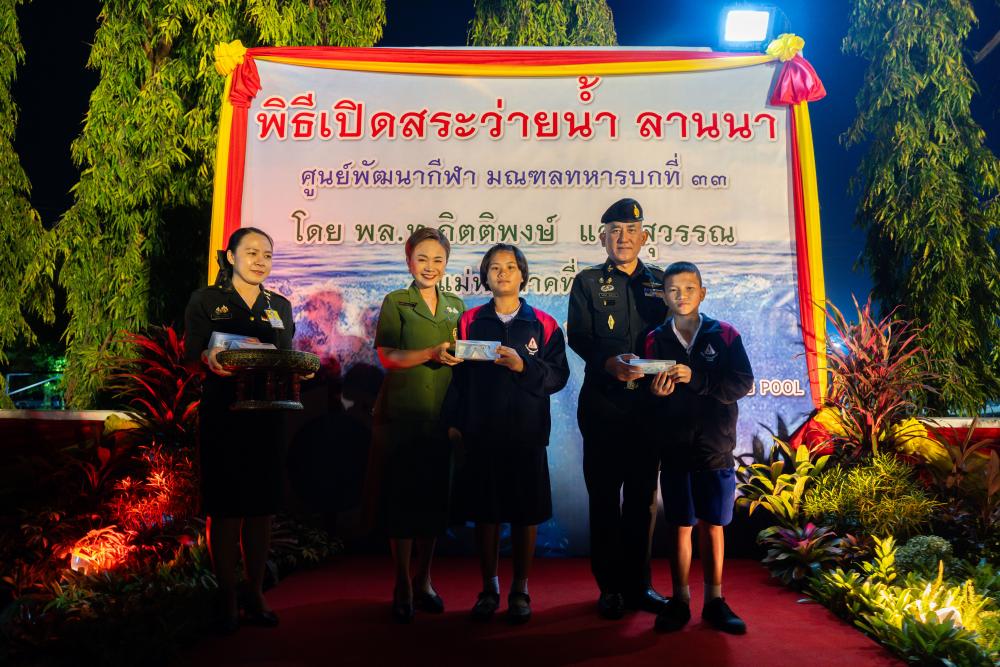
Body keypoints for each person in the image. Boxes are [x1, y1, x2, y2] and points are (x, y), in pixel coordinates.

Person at [444, 244, 570, 624]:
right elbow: (458, 379)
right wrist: (454, 422)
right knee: (486, 514)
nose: (502, 273)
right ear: (485, 275)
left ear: (522, 275)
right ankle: (489, 588)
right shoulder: (468, 321)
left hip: (526, 434)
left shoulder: (544, 324)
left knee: (524, 515)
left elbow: (558, 376)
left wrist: (523, 366)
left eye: (510, 267)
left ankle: (520, 589)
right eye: (495, 267)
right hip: (481, 433)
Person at [184, 226, 294, 633]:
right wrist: (208, 357)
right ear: (231, 256)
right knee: (226, 507)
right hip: (224, 413)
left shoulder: (279, 305)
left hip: (267, 415)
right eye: (251, 252)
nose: (260, 261)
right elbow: (191, 354)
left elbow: (285, 356)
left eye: (267, 254)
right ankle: (226, 595)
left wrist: (296, 367)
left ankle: (255, 591)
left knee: (262, 508)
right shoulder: (206, 300)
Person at [567, 197, 669, 619]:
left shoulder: (662, 281)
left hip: (649, 408)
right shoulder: (588, 281)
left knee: (643, 500)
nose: (623, 238)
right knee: (605, 498)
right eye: (615, 231)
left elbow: (676, 333)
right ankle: (609, 587)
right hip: (604, 406)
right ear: (602, 238)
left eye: (630, 231)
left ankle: (639, 585)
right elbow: (578, 336)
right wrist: (608, 363)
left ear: (644, 237)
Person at [644, 261, 754, 634]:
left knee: (713, 525)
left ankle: (714, 600)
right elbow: (645, 393)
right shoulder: (654, 339)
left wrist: (698, 379)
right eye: (673, 290)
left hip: (715, 448)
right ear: (663, 296)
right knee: (680, 526)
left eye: (689, 288)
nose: (682, 296)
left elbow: (742, 382)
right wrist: (656, 394)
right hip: (674, 448)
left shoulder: (725, 334)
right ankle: (679, 600)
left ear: (702, 293)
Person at [366, 227, 465, 623]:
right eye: (422, 258)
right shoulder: (397, 301)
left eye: (438, 259)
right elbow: (387, 356)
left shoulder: (456, 306)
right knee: (402, 503)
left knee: (434, 504)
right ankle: (402, 584)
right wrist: (429, 353)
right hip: (401, 415)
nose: (430, 266)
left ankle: (424, 580)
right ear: (409, 261)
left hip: (441, 417)